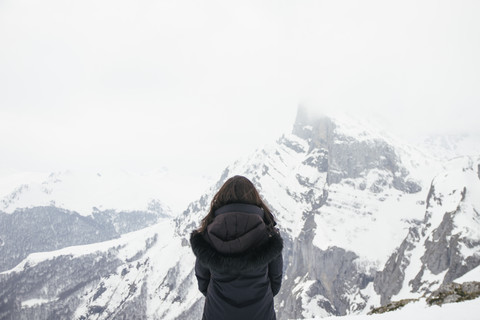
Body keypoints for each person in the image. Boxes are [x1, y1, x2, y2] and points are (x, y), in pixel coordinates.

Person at [190, 175, 283, 320]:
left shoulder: (207, 235)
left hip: (217, 313)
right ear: (254, 199)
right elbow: (275, 281)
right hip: (260, 313)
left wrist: (218, 297)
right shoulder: (268, 235)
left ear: (221, 198)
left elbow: (203, 280)